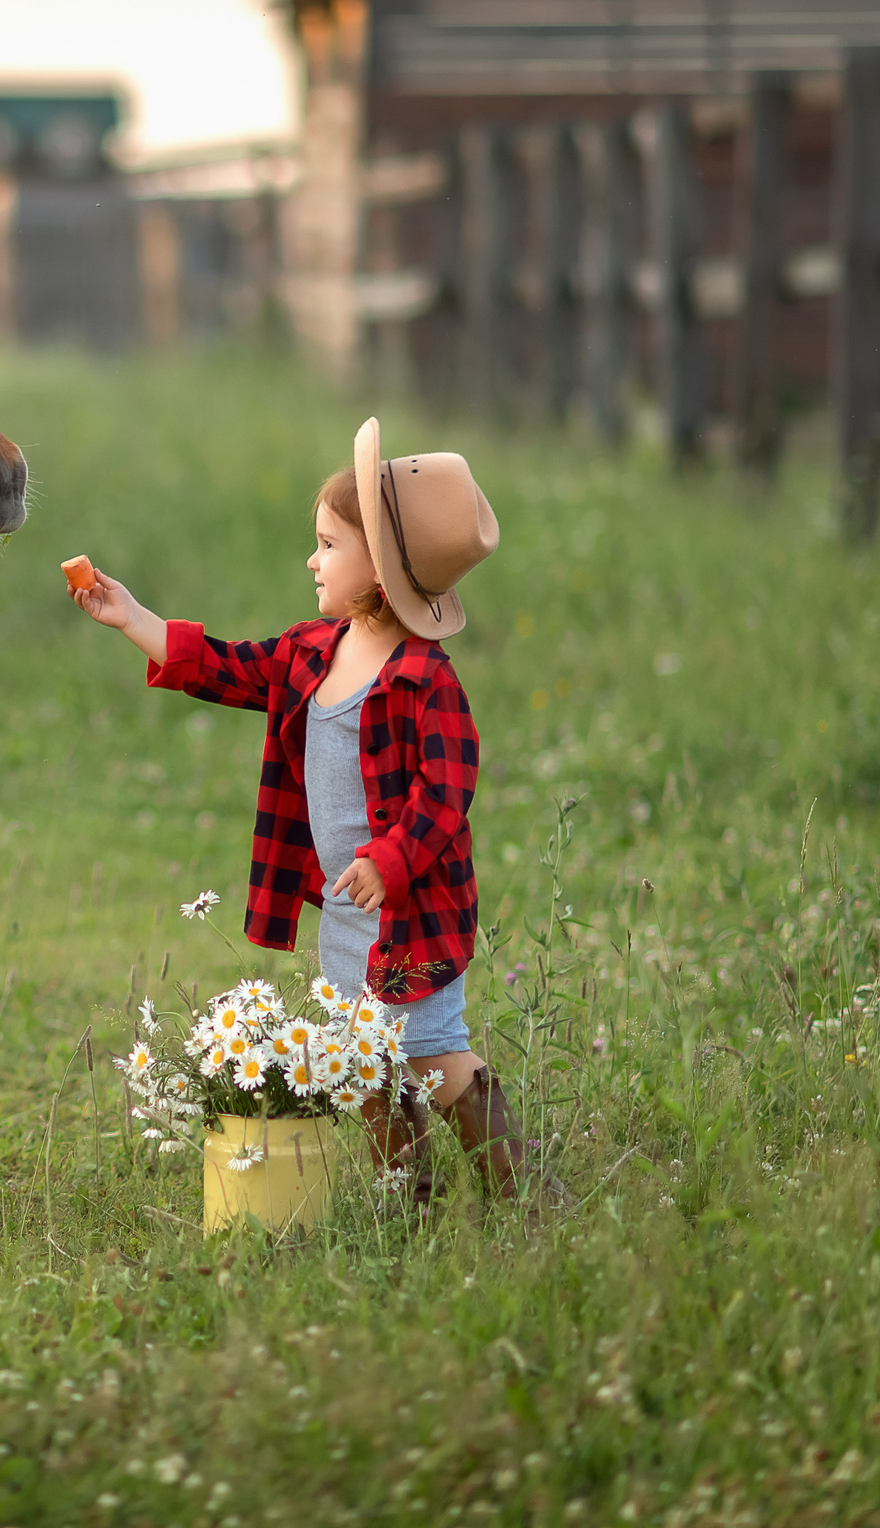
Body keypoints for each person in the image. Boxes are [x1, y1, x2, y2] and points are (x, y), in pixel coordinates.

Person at [66, 418, 541, 1204]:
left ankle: (522, 1191)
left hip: (412, 918)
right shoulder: (312, 651)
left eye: (327, 544)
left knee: (435, 1056)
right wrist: (134, 618)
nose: (312, 559)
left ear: (381, 569)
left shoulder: (425, 679)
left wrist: (389, 860)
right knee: (362, 1065)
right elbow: (226, 667)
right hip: (346, 917)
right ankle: (407, 1200)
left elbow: (446, 793)